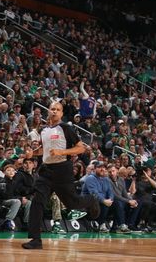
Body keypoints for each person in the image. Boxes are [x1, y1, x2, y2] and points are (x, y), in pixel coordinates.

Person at [21, 101, 100, 250]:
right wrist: (33, 153)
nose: (54, 111)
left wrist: (62, 152)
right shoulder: (44, 130)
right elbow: (44, 150)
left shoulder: (66, 128)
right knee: (37, 202)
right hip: (45, 171)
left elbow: (81, 148)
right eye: (52, 109)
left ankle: (91, 200)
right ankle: (35, 240)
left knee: (72, 203)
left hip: (62, 170)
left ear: (62, 113)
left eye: (58, 109)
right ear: (48, 111)